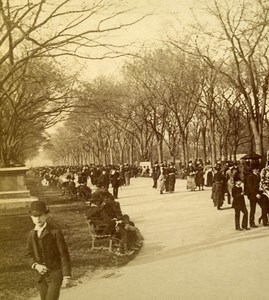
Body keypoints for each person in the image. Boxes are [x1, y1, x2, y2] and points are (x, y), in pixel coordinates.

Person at [26, 201, 71, 300]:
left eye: (40, 215)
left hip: (55, 274)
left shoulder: (54, 232)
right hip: (41, 276)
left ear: (46, 215)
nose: (38, 219)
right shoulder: (31, 234)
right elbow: (28, 254)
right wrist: (36, 265)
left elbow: (64, 254)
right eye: (34, 216)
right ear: (31, 217)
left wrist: (66, 275)